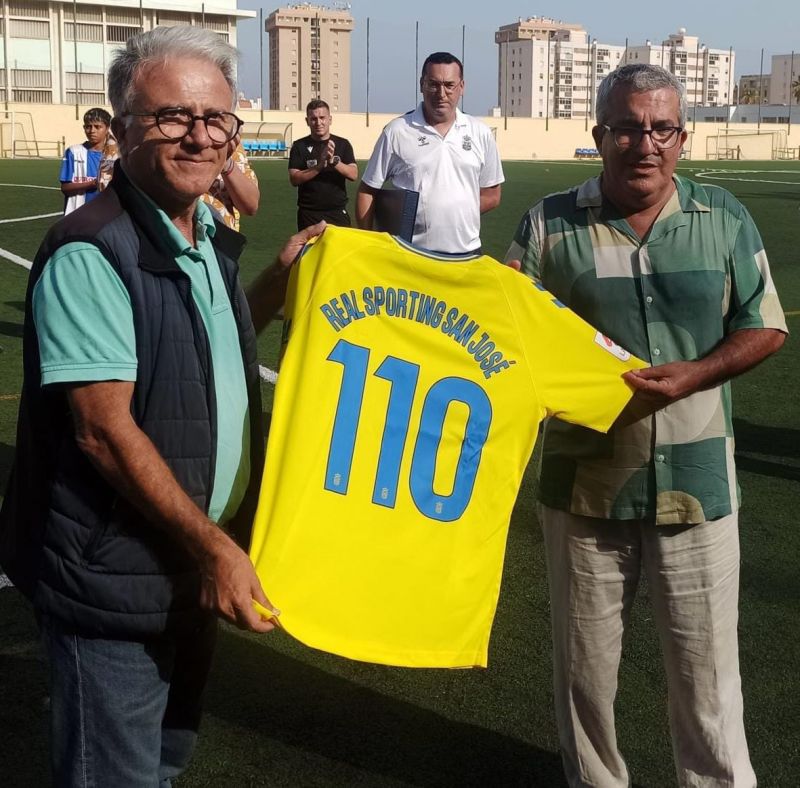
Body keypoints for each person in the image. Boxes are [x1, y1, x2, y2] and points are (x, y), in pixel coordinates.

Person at [0, 26, 322, 786]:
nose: (200, 136)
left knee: (164, 762)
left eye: (216, 119)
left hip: (186, 565)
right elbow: (103, 431)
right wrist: (216, 549)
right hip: (117, 578)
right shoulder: (92, 251)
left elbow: (206, 347)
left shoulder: (203, 231)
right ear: (122, 129)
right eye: (173, 117)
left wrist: (275, 282)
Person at [505, 63, 787, 787]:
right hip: (585, 492)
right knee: (585, 677)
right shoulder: (548, 225)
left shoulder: (723, 218)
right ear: (600, 134)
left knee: (709, 679)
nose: (646, 143)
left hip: (698, 488)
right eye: (628, 127)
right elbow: (506, 338)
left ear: (682, 138)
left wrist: (698, 373)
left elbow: (764, 325)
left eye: (662, 128)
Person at [356, 52, 504, 254]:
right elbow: (367, 191)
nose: (441, 93)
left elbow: (492, 195)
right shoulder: (397, 131)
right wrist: (368, 243)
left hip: (467, 253)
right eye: (433, 84)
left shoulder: (481, 133)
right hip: (411, 253)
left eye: (449, 85)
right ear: (421, 85)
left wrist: (452, 216)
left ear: (462, 87)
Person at [288, 99, 357, 230]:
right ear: (307, 121)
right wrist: (319, 166)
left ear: (330, 119)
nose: (318, 123)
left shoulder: (343, 144)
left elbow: (353, 174)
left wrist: (334, 162)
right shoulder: (299, 146)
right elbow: (294, 179)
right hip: (309, 214)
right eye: (313, 119)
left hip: (337, 212)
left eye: (322, 118)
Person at [59, 107, 112, 214]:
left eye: (97, 127)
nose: (92, 131)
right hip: (78, 213)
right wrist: (92, 183)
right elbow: (65, 188)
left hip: (105, 213)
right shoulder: (73, 152)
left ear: (107, 129)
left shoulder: (113, 155)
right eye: (88, 126)